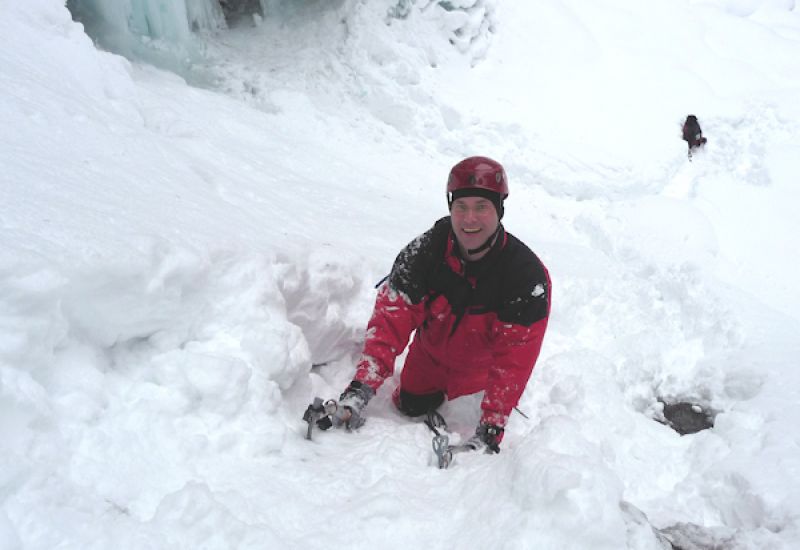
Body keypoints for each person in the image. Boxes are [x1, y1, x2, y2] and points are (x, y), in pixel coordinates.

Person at [330, 156, 551, 453]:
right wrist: (360, 389)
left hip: (480, 372)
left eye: (481, 207)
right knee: (409, 406)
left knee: (470, 396)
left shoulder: (525, 276)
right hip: (430, 358)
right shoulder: (425, 253)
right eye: (461, 207)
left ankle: (473, 397)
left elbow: (516, 357)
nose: (469, 218)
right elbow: (389, 321)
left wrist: (491, 426)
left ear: (499, 210)